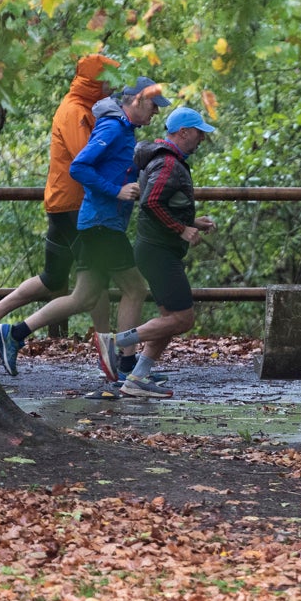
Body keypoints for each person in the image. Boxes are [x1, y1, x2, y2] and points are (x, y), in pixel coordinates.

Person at [0, 76, 171, 382]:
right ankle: (129, 367)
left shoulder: (124, 129)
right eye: (154, 106)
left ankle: (15, 332)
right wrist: (116, 191)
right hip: (101, 224)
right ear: (138, 100)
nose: (156, 113)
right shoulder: (113, 127)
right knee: (136, 288)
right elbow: (79, 167)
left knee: (83, 298)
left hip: (100, 223)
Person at [0, 54, 118, 341]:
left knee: (52, 279)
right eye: (110, 79)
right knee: (96, 281)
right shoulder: (75, 111)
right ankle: (108, 351)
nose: (115, 85)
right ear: (96, 81)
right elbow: (86, 158)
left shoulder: (86, 108)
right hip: (75, 206)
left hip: (65, 204)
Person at [92, 106, 217, 398]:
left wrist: (190, 221)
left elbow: (161, 202)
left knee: (167, 320)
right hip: (157, 252)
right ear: (184, 132)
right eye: (198, 133)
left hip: (158, 249)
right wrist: (181, 229)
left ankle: (137, 377)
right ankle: (114, 342)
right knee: (183, 319)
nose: (201, 139)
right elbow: (151, 202)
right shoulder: (168, 163)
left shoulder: (165, 160)